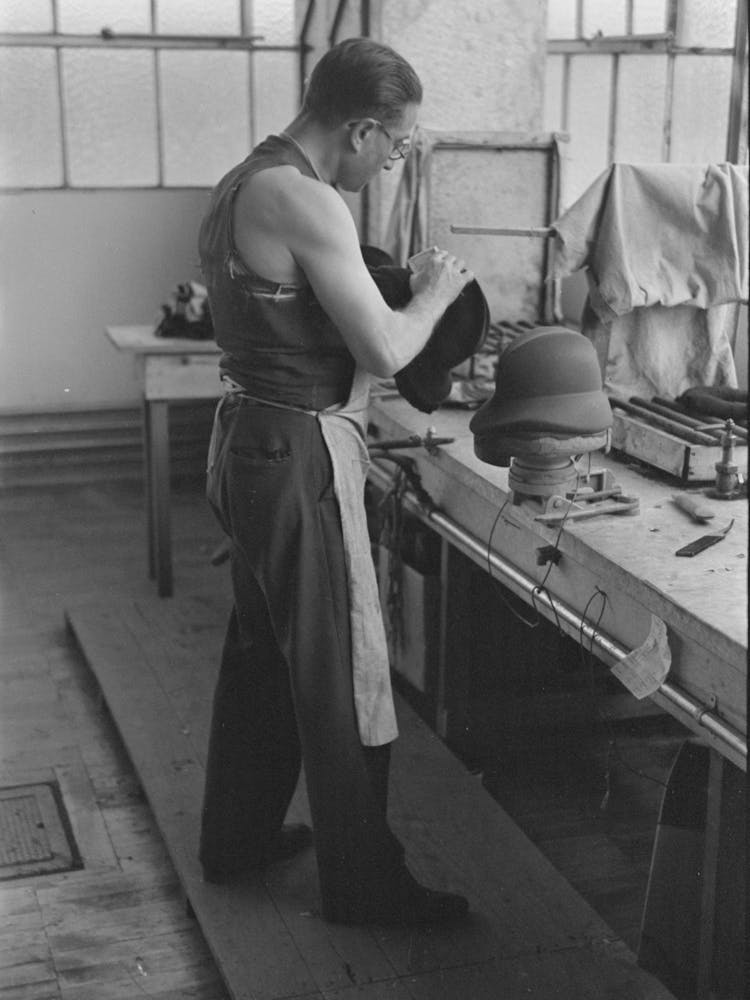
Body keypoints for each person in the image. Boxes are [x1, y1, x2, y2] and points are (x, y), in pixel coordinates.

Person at [197, 36, 473, 926]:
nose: (392, 161)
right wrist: (435, 289)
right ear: (358, 127)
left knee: (263, 652)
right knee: (344, 669)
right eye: (393, 146)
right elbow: (386, 348)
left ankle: (234, 840)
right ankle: (364, 885)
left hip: (247, 441)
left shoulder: (245, 179)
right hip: (297, 453)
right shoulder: (306, 199)